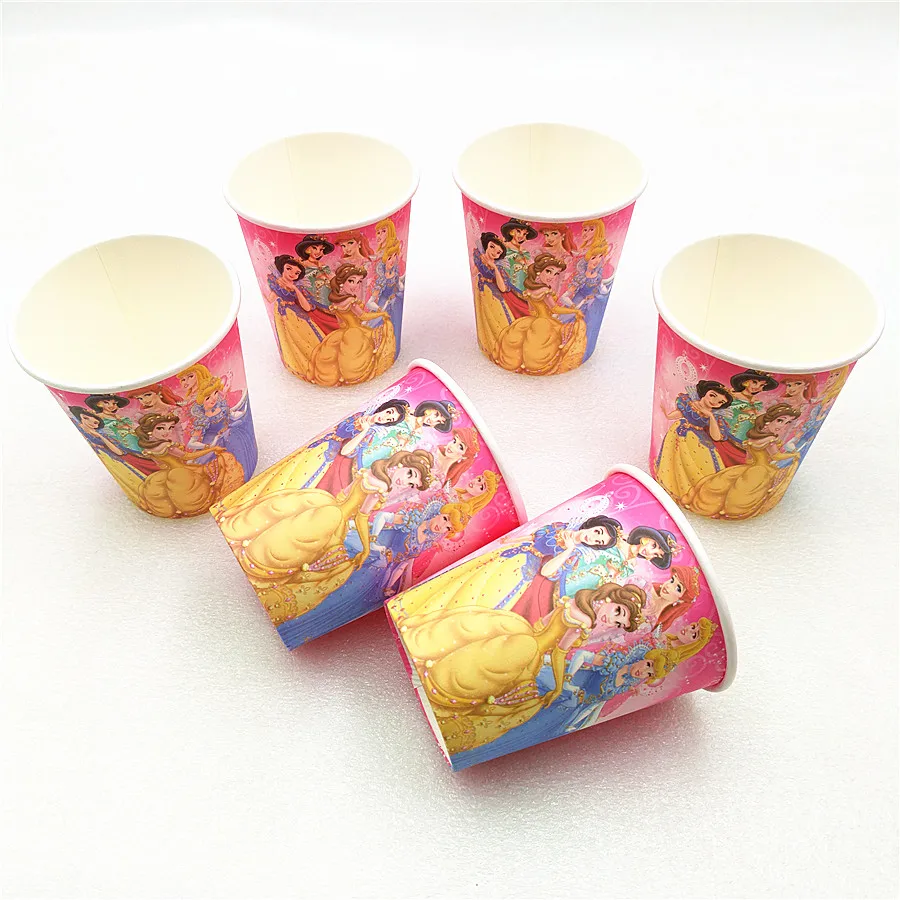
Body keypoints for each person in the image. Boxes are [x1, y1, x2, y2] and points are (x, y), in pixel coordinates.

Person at [213, 449, 434, 626]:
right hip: (335, 520)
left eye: (412, 485)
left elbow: (345, 495)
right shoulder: (382, 488)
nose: (406, 483)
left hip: (326, 503)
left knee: (286, 519)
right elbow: (361, 516)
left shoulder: (371, 472)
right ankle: (264, 574)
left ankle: (252, 547)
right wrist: (366, 548)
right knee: (332, 568)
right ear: (402, 464)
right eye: (410, 475)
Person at [681, 404, 802, 519]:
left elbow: (749, 459)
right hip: (762, 470)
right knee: (740, 491)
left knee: (723, 483)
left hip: (749, 468)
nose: (783, 426)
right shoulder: (770, 440)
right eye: (780, 421)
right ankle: (729, 511)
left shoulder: (752, 439)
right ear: (768, 421)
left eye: (788, 423)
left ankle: (707, 506)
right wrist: (794, 454)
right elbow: (776, 456)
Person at [507, 516, 623, 622]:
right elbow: (533, 537)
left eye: (598, 541)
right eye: (597, 531)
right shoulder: (562, 527)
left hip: (528, 569)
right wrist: (510, 540)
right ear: (593, 525)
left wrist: (569, 549)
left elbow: (546, 571)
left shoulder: (574, 554)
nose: (592, 538)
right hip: (519, 551)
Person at [491, 253, 586, 375]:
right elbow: (555, 309)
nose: (552, 276)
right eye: (548, 271)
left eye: (556, 273)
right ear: (538, 271)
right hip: (545, 322)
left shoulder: (529, 290)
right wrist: (574, 311)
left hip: (533, 320)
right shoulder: (545, 291)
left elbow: (531, 310)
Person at [135, 413, 244, 518]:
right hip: (184, 472)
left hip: (171, 473)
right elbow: (187, 456)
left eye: (170, 428)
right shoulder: (166, 446)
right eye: (160, 428)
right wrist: (212, 449)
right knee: (224, 460)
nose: (167, 432)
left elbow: (161, 465)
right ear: (149, 431)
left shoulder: (149, 449)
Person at [306, 264, 396, 386]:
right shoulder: (350, 301)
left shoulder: (335, 303)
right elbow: (363, 316)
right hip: (356, 332)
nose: (356, 286)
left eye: (359, 282)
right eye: (351, 281)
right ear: (341, 283)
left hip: (343, 332)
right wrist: (381, 314)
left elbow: (341, 323)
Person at [653, 380, 735, 499]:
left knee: (700, 463)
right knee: (677, 459)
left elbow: (716, 437)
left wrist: (710, 416)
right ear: (705, 392)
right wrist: (667, 415)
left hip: (698, 439)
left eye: (720, 402)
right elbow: (680, 414)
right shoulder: (690, 403)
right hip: (680, 433)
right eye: (712, 395)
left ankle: (701, 492)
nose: (714, 402)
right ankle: (676, 486)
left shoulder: (714, 415)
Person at [68, 406, 147, 503]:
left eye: (95, 422)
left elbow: (119, 452)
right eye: (85, 418)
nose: (90, 422)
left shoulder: (102, 433)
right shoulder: (82, 427)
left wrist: (100, 436)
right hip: (113, 460)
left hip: (121, 457)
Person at [499, 218, 537, 294]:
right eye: (518, 231)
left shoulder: (525, 252)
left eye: (524, 234)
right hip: (510, 286)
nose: (521, 236)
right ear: (511, 232)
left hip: (524, 287)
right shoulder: (505, 248)